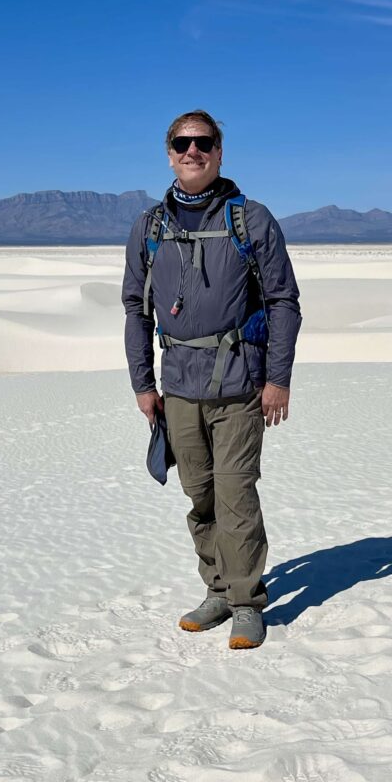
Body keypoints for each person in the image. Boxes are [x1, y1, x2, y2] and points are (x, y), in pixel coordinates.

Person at [121, 109, 301, 649]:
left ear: (220, 152)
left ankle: (246, 600)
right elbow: (136, 309)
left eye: (203, 142)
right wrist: (142, 383)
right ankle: (218, 589)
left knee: (235, 494)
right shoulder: (150, 227)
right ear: (169, 152)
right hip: (177, 387)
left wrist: (278, 377)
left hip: (240, 385)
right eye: (182, 143)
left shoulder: (252, 219)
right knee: (199, 494)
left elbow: (283, 302)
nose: (192, 151)